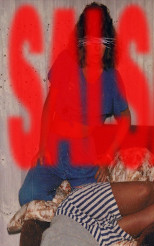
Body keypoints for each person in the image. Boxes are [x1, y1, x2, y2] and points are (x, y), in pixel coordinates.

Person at [19, 2, 131, 206]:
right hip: (54, 147)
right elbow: (49, 107)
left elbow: (125, 119)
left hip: (84, 155)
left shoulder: (112, 78)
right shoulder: (65, 61)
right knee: (27, 195)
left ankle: (71, 208)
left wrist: (107, 156)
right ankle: (63, 203)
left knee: (93, 206)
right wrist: (42, 147)